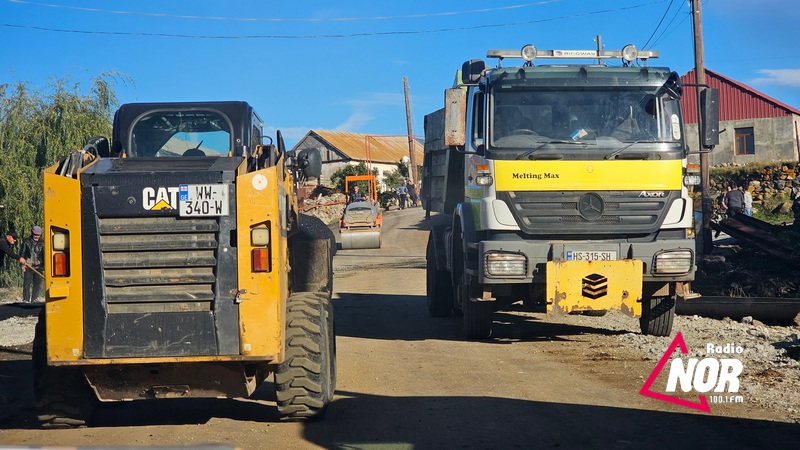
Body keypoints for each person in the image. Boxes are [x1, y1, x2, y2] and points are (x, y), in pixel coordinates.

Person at [21, 226, 44, 303]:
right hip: (28, 265)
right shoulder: (26, 241)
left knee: (37, 284)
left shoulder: (43, 243)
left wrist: (44, 267)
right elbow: (22, 254)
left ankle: (35, 299)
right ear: (32, 233)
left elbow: (45, 256)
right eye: (35, 235)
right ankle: (26, 299)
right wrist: (22, 265)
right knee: (27, 284)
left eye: (38, 235)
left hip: (39, 266)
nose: (37, 236)